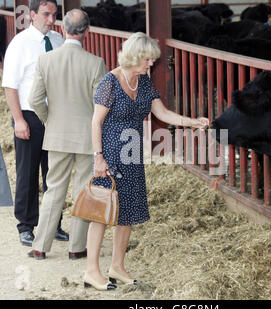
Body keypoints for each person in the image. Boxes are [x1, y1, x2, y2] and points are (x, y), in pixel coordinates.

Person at [86, 32, 210, 291]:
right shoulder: (110, 82)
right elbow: (96, 122)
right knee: (100, 212)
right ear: (133, 56)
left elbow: (162, 113)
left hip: (132, 155)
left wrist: (192, 122)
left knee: (127, 212)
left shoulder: (143, 83)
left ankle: (117, 267)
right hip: (108, 155)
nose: (150, 64)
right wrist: (98, 157)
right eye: (147, 59)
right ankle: (91, 271)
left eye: (152, 60)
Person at [27, 9, 107, 262]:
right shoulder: (96, 63)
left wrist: (49, 119)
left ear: (63, 29)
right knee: (84, 190)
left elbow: (34, 99)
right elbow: (102, 105)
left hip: (57, 134)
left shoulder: (46, 60)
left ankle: (40, 246)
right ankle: (77, 247)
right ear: (88, 31)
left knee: (53, 189)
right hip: (87, 137)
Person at [1, 0, 68, 247]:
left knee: (55, 173)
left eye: (54, 15)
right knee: (27, 172)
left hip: (56, 116)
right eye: (46, 14)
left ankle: (53, 224)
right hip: (29, 115)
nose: (51, 19)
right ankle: (26, 225)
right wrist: (19, 119)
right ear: (32, 15)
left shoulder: (59, 41)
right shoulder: (19, 44)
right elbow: (10, 85)